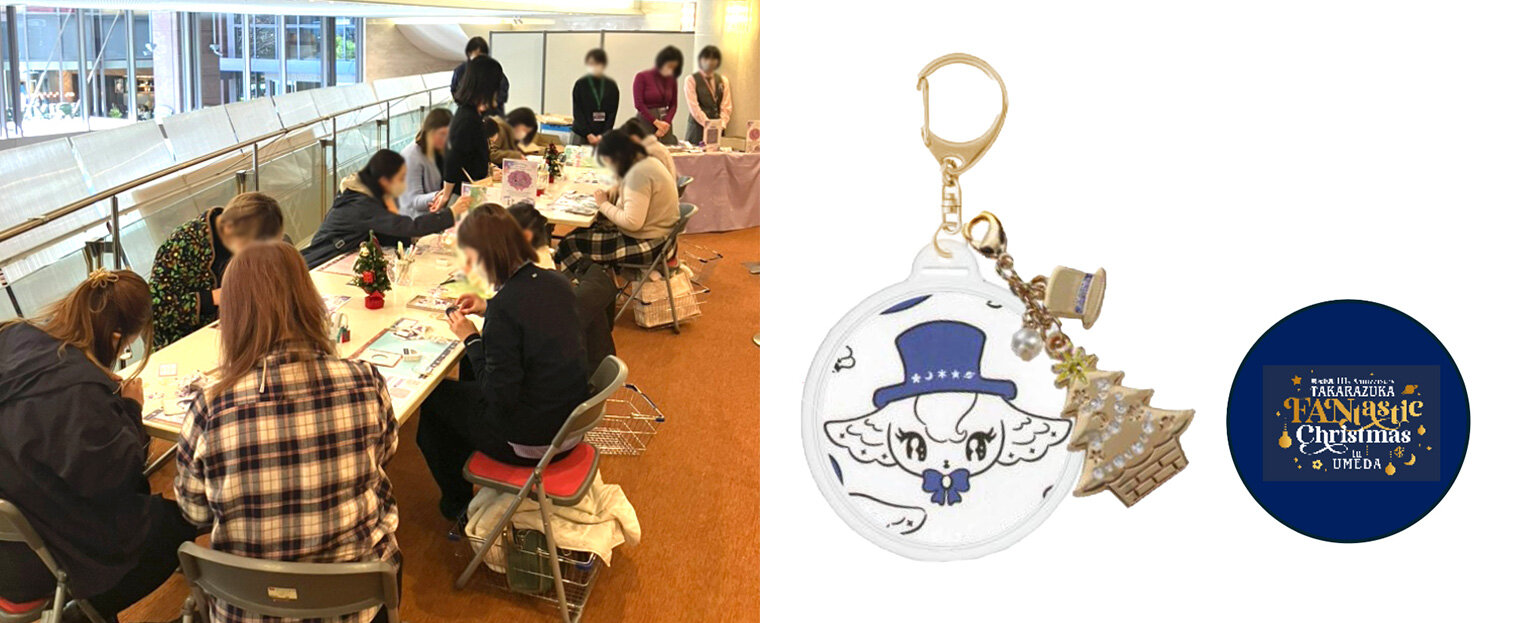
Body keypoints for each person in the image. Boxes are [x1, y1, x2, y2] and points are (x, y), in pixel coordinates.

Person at [175, 241, 398, 623]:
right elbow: (385, 452)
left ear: (233, 316)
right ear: (309, 300)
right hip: (354, 603)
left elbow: (194, 511)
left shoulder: (209, 407)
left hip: (246, 608)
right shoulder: (365, 382)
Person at [0, 270, 198, 623]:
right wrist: (130, 408)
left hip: (12, 544)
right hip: (50, 557)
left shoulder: (13, 334)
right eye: (126, 345)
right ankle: (87, 612)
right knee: (176, 523)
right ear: (116, 336)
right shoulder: (79, 389)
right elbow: (117, 478)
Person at [418, 203, 589, 521]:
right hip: (571, 424)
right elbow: (529, 317)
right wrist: (487, 307)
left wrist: (471, 337)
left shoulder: (505, 309)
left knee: (432, 403)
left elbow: (499, 396)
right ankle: (470, 458)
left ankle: (457, 505)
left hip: (534, 442)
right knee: (469, 372)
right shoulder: (555, 282)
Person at [148, 192, 285, 347]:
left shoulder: (245, 234)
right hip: (182, 344)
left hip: (233, 332)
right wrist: (215, 297)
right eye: (252, 248)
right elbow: (154, 309)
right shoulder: (182, 244)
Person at [303, 149, 470, 268]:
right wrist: (451, 213)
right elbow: (408, 226)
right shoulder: (362, 204)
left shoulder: (361, 193)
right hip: (320, 264)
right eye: (400, 179)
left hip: (336, 260)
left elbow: (382, 231)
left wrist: (411, 241)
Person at [509, 202, 619, 373]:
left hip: (550, 379)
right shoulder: (557, 281)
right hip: (580, 370)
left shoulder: (525, 292)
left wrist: (471, 340)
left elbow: (500, 378)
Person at [554, 130, 680, 273]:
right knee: (579, 233)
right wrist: (615, 193)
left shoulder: (638, 175)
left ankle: (583, 282)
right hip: (662, 238)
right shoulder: (643, 162)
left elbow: (632, 222)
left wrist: (603, 204)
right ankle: (588, 276)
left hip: (651, 243)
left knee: (570, 244)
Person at [443, 55, 506, 201]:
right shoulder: (468, 118)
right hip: (464, 196)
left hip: (471, 191)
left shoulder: (473, 114)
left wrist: (490, 169)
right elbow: (452, 160)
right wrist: (446, 195)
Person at [399, 108, 452, 218]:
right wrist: (439, 195)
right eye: (442, 134)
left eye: (449, 134)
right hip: (416, 221)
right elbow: (413, 201)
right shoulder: (411, 156)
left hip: (437, 215)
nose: (446, 139)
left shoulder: (442, 150)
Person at [632, 45, 683, 145]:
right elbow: (639, 104)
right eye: (669, 66)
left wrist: (666, 123)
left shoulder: (672, 80)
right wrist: (656, 122)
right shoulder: (642, 77)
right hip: (646, 120)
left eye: (674, 67)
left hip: (665, 123)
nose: (670, 69)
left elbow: (673, 104)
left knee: (666, 149)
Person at [448, 36, 509, 116]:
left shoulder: (493, 68)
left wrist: (490, 103)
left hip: (493, 113)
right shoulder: (460, 71)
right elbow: (454, 90)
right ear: (469, 54)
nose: (480, 60)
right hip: (470, 112)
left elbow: (503, 90)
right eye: (476, 56)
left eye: (482, 56)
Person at [684, 45, 732, 145]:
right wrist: (708, 124)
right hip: (697, 129)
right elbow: (694, 107)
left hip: (718, 129)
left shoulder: (723, 80)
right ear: (700, 60)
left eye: (713, 59)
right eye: (706, 58)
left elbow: (726, 106)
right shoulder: (691, 79)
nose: (709, 62)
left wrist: (721, 125)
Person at [571, 48, 619, 145]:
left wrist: (603, 135)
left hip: (603, 135)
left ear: (603, 65)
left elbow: (612, 113)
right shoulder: (580, 84)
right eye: (590, 64)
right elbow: (578, 111)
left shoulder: (611, 85)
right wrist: (588, 134)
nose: (593, 67)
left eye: (596, 64)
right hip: (582, 134)